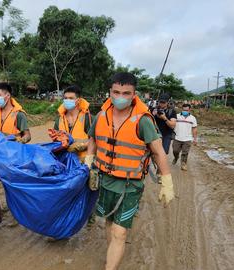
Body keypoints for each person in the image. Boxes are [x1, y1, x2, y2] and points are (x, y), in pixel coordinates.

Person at [85, 72, 175, 270]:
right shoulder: (101, 116)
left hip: (130, 184)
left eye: (126, 93)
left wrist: (167, 181)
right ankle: (112, 256)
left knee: (120, 232)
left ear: (134, 95)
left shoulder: (143, 120)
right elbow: (92, 140)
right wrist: (89, 162)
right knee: (109, 222)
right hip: (104, 179)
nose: (120, 97)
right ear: (110, 92)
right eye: (116, 92)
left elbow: (159, 151)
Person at [0, 82, 31, 229]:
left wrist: (20, 140)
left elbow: (27, 135)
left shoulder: (19, 115)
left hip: (13, 157)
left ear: (7, 96)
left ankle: (20, 215)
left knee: (14, 187)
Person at [54, 85, 93, 161]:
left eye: (71, 98)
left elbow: (95, 141)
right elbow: (55, 141)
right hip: (64, 162)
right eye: (65, 98)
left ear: (78, 100)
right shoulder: (59, 119)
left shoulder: (87, 118)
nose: (67, 100)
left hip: (82, 163)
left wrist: (80, 146)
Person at [172, 103, 198, 171]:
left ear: (189, 110)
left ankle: (183, 163)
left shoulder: (193, 118)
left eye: (186, 110)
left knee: (185, 152)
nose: (185, 111)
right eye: (183, 110)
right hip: (177, 137)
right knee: (175, 150)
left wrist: (195, 139)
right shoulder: (176, 116)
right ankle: (176, 157)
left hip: (187, 138)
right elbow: (172, 124)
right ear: (181, 109)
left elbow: (194, 129)